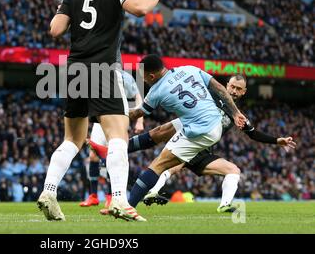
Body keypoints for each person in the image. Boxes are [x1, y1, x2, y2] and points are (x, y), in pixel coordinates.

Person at [37, 0, 167, 222]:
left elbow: (55, 29)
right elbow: (141, 9)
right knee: (118, 136)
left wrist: (69, 6)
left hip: (74, 70)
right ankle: (120, 199)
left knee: (72, 139)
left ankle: (49, 191)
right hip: (103, 69)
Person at [91, 74, 296, 212]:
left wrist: (277, 141)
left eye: (238, 89)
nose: (233, 90)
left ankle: (224, 205)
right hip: (191, 131)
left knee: (233, 170)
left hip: (202, 152)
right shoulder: (210, 98)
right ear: (226, 86)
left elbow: (253, 133)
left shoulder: (237, 115)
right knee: (161, 136)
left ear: (243, 93)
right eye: (232, 86)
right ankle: (118, 154)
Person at [126, 54, 247, 210]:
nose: (143, 81)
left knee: (158, 165)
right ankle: (119, 149)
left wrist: (104, 115)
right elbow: (220, 88)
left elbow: (135, 114)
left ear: (151, 75)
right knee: (161, 131)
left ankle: (128, 206)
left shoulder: (156, 91)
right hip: (213, 122)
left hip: (200, 130)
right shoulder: (190, 69)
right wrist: (236, 112)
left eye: (144, 78)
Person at [80, 70, 143, 212]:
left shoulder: (125, 77)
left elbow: (138, 98)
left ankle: (110, 196)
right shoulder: (99, 74)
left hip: (118, 119)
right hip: (100, 119)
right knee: (93, 155)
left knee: (112, 154)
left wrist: (140, 121)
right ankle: (93, 195)